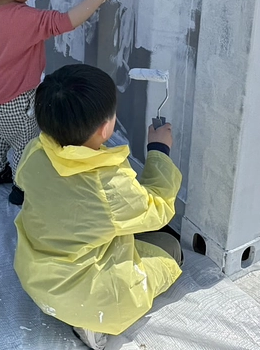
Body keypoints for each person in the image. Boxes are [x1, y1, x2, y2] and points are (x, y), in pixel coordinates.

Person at [13, 64, 182, 350]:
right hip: (85, 293)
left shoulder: (36, 151)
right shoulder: (109, 184)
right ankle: (89, 322)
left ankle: (79, 310)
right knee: (171, 249)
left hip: (37, 275)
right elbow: (158, 209)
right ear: (106, 128)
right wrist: (159, 151)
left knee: (118, 230)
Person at [0, 0, 121, 205]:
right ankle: (22, 188)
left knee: (0, 133)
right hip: (18, 98)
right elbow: (66, 22)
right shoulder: (26, 19)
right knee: (26, 144)